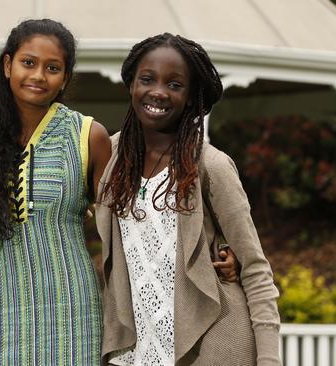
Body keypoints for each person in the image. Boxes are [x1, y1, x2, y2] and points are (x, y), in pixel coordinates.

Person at [0, 20, 239, 365]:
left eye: (53, 68)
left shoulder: (87, 136)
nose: (38, 75)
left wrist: (216, 248)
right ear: (7, 65)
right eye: (28, 63)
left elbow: (137, 218)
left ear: (65, 78)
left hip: (73, 311)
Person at [96, 33, 281, 365]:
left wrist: (269, 360)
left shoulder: (211, 166)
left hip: (210, 344)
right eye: (147, 79)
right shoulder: (107, 156)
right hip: (134, 351)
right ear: (131, 85)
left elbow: (255, 268)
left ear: (191, 97)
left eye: (175, 84)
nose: (158, 92)